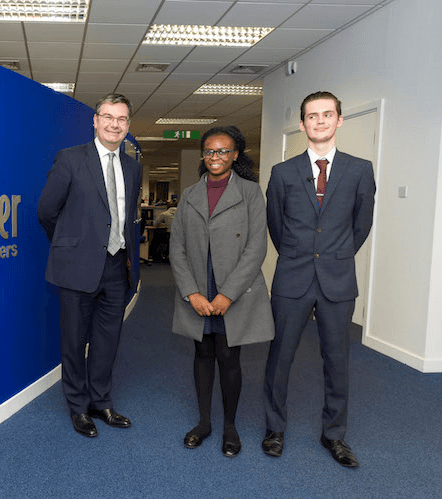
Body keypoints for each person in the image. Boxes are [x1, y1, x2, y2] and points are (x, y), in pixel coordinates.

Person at [262, 91, 376, 467]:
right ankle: (274, 428)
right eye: (312, 116)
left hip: (338, 279)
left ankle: (334, 435)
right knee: (280, 357)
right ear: (302, 124)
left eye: (328, 114)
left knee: (337, 360)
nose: (320, 121)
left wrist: (334, 255)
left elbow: (361, 226)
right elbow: (276, 226)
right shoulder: (283, 172)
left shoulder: (360, 170)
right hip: (292, 278)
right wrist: (301, 255)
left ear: (339, 120)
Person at [37, 93, 142, 438]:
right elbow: (46, 212)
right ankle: (78, 407)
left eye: (122, 119)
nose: (115, 124)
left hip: (117, 267)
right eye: (108, 117)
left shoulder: (132, 166)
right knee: (74, 341)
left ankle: (101, 401)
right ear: (95, 121)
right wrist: (71, 245)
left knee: (107, 340)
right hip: (77, 268)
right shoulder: (70, 159)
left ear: (128, 126)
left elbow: (127, 219)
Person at [169, 126, 274, 457]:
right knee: (202, 355)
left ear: (235, 155)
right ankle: (203, 423)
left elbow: (257, 247)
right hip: (199, 287)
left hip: (234, 290)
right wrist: (191, 293)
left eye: (223, 151)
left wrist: (227, 294)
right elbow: (177, 248)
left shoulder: (251, 192)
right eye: (210, 152)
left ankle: (230, 426)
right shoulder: (189, 195)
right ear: (203, 156)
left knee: (229, 357)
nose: (216, 157)